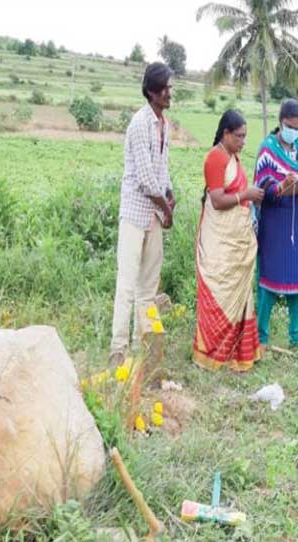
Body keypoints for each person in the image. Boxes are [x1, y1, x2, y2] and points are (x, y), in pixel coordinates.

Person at [109, 62, 175, 367]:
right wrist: (166, 209)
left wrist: (170, 194)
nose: (169, 92)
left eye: (170, 87)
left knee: (148, 286)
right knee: (127, 283)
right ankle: (118, 349)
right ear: (151, 91)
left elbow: (162, 170)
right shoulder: (139, 124)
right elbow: (147, 180)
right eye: (164, 87)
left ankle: (141, 347)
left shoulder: (164, 124)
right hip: (137, 213)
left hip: (154, 216)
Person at [192, 110, 264, 371]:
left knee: (238, 291)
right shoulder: (216, 158)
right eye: (239, 136)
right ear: (226, 134)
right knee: (219, 290)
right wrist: (246, 194)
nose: (243, 142)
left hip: (238, 239)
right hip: (219, 240)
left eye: (245, 137)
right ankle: (211, 353)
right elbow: (217, 200)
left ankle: (237, 352)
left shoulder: (233, 157)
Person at [253, 100, 298, 349]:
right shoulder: (267, 150)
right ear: (281, 123)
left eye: (297, 127)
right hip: (275, 225)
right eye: (290, 126)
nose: (294, 132)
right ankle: (261, 335)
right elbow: (260, 190)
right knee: (268, 281)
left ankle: (296, 336)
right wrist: (280, 187)